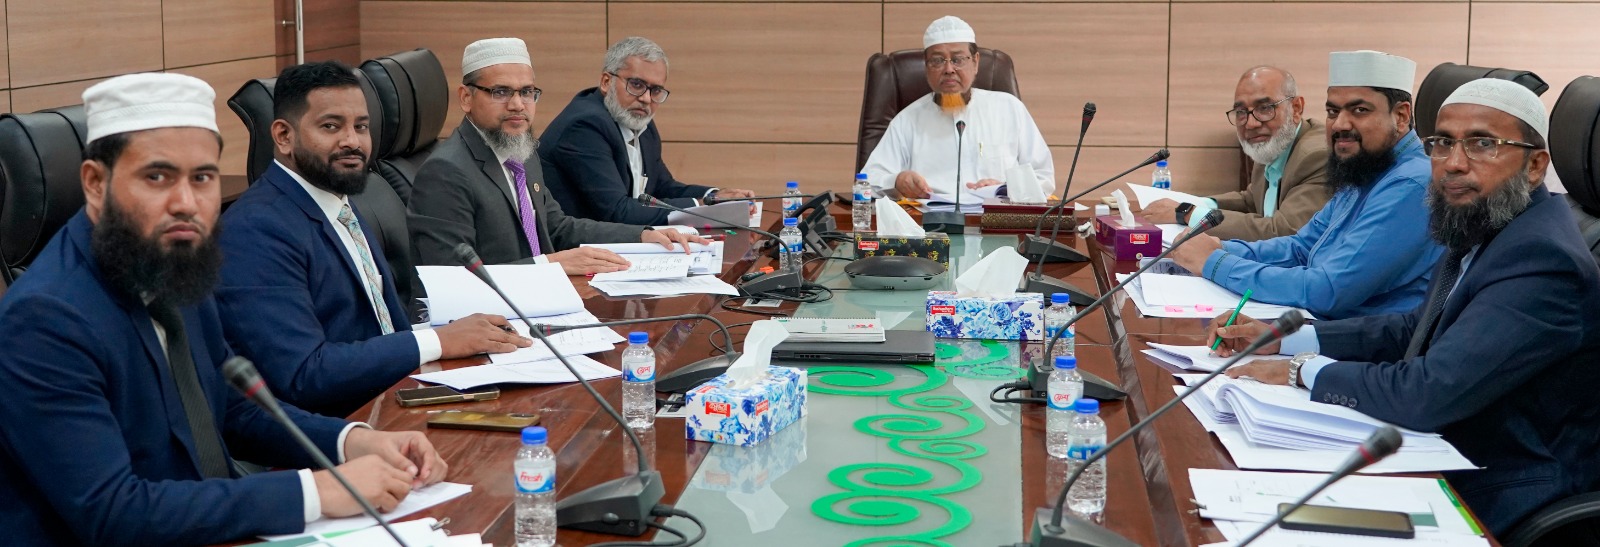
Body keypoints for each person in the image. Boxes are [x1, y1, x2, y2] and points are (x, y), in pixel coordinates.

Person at [0, 73, 449, 545]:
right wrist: (315, 492)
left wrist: (353, 441)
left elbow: (232, 409)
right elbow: (113, 511)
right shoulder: (45, 319)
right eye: (157, 177)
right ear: (95, 183)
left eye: (202, 178)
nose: (186, 203)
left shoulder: (171, 259)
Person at [1213, 79, 1600, 534]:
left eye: (1482, 144)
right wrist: (1285, 338)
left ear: (1534, 166)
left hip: (1498, 489)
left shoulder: (1542, 258)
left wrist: (1302, 370)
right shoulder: (1490, 218)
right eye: (1443, 143)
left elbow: (1429, 392)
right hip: (1438, 450)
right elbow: (1415, 328)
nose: (1454, 164)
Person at [217, 61, 531, 417]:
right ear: (284, 136)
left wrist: (457, 336)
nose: (352, 141)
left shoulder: (338, 201)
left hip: (398, 396)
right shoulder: (257, 230)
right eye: (331, 126)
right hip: (342, 427)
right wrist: (437, 341)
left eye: (361, 126)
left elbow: (384, 328)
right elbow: (303, 374)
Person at [1169, 51, 1443, 320]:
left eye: (1359, 110)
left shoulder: (1411, 185)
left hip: (1359, 342)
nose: (1340, 124)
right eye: (1333, 111)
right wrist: (1221, 247)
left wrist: (1215, 262)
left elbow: (1327, 289)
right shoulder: (1367, 167)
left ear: (1401, 116)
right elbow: (1301, 248)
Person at [410, 37, 704, 273]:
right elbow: (453, 279)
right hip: (486, 319)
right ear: (466, 97)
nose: (518, 105)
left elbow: (557, 227)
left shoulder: (521, 151)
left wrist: (642, 235)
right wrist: (550, 265)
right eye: (501, 92)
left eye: (527, 92)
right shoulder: (446, 172)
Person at [540, 36, 755, 226]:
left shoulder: (641, 123)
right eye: (636, 84)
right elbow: (616, 211)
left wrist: (714, 196)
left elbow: (662, 187)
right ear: (606, 82)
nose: (645, 98)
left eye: (656, 90)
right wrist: (700, 205)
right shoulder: (585, 126)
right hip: (572, 250)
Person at [861, 15, 1055, 200]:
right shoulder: (907, 120)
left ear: (975, 62)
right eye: (937, 61)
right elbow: (867, 182)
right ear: (926, 67)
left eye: (958, 59)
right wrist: (897, 181)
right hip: (929, 220)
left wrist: (1005, 188)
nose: (949, 69)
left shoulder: (1009, 109)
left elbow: (1044, 178)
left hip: (994, 218)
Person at [1140, 66, 1330, 241]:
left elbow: (1282, 232)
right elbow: (1251, 201)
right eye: (1241, 112)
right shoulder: (1272, 144)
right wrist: (1193, 203)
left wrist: (1188, 213)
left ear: (1296, 108)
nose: (1251, 124)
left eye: (1265, 108)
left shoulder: (1316, 156)